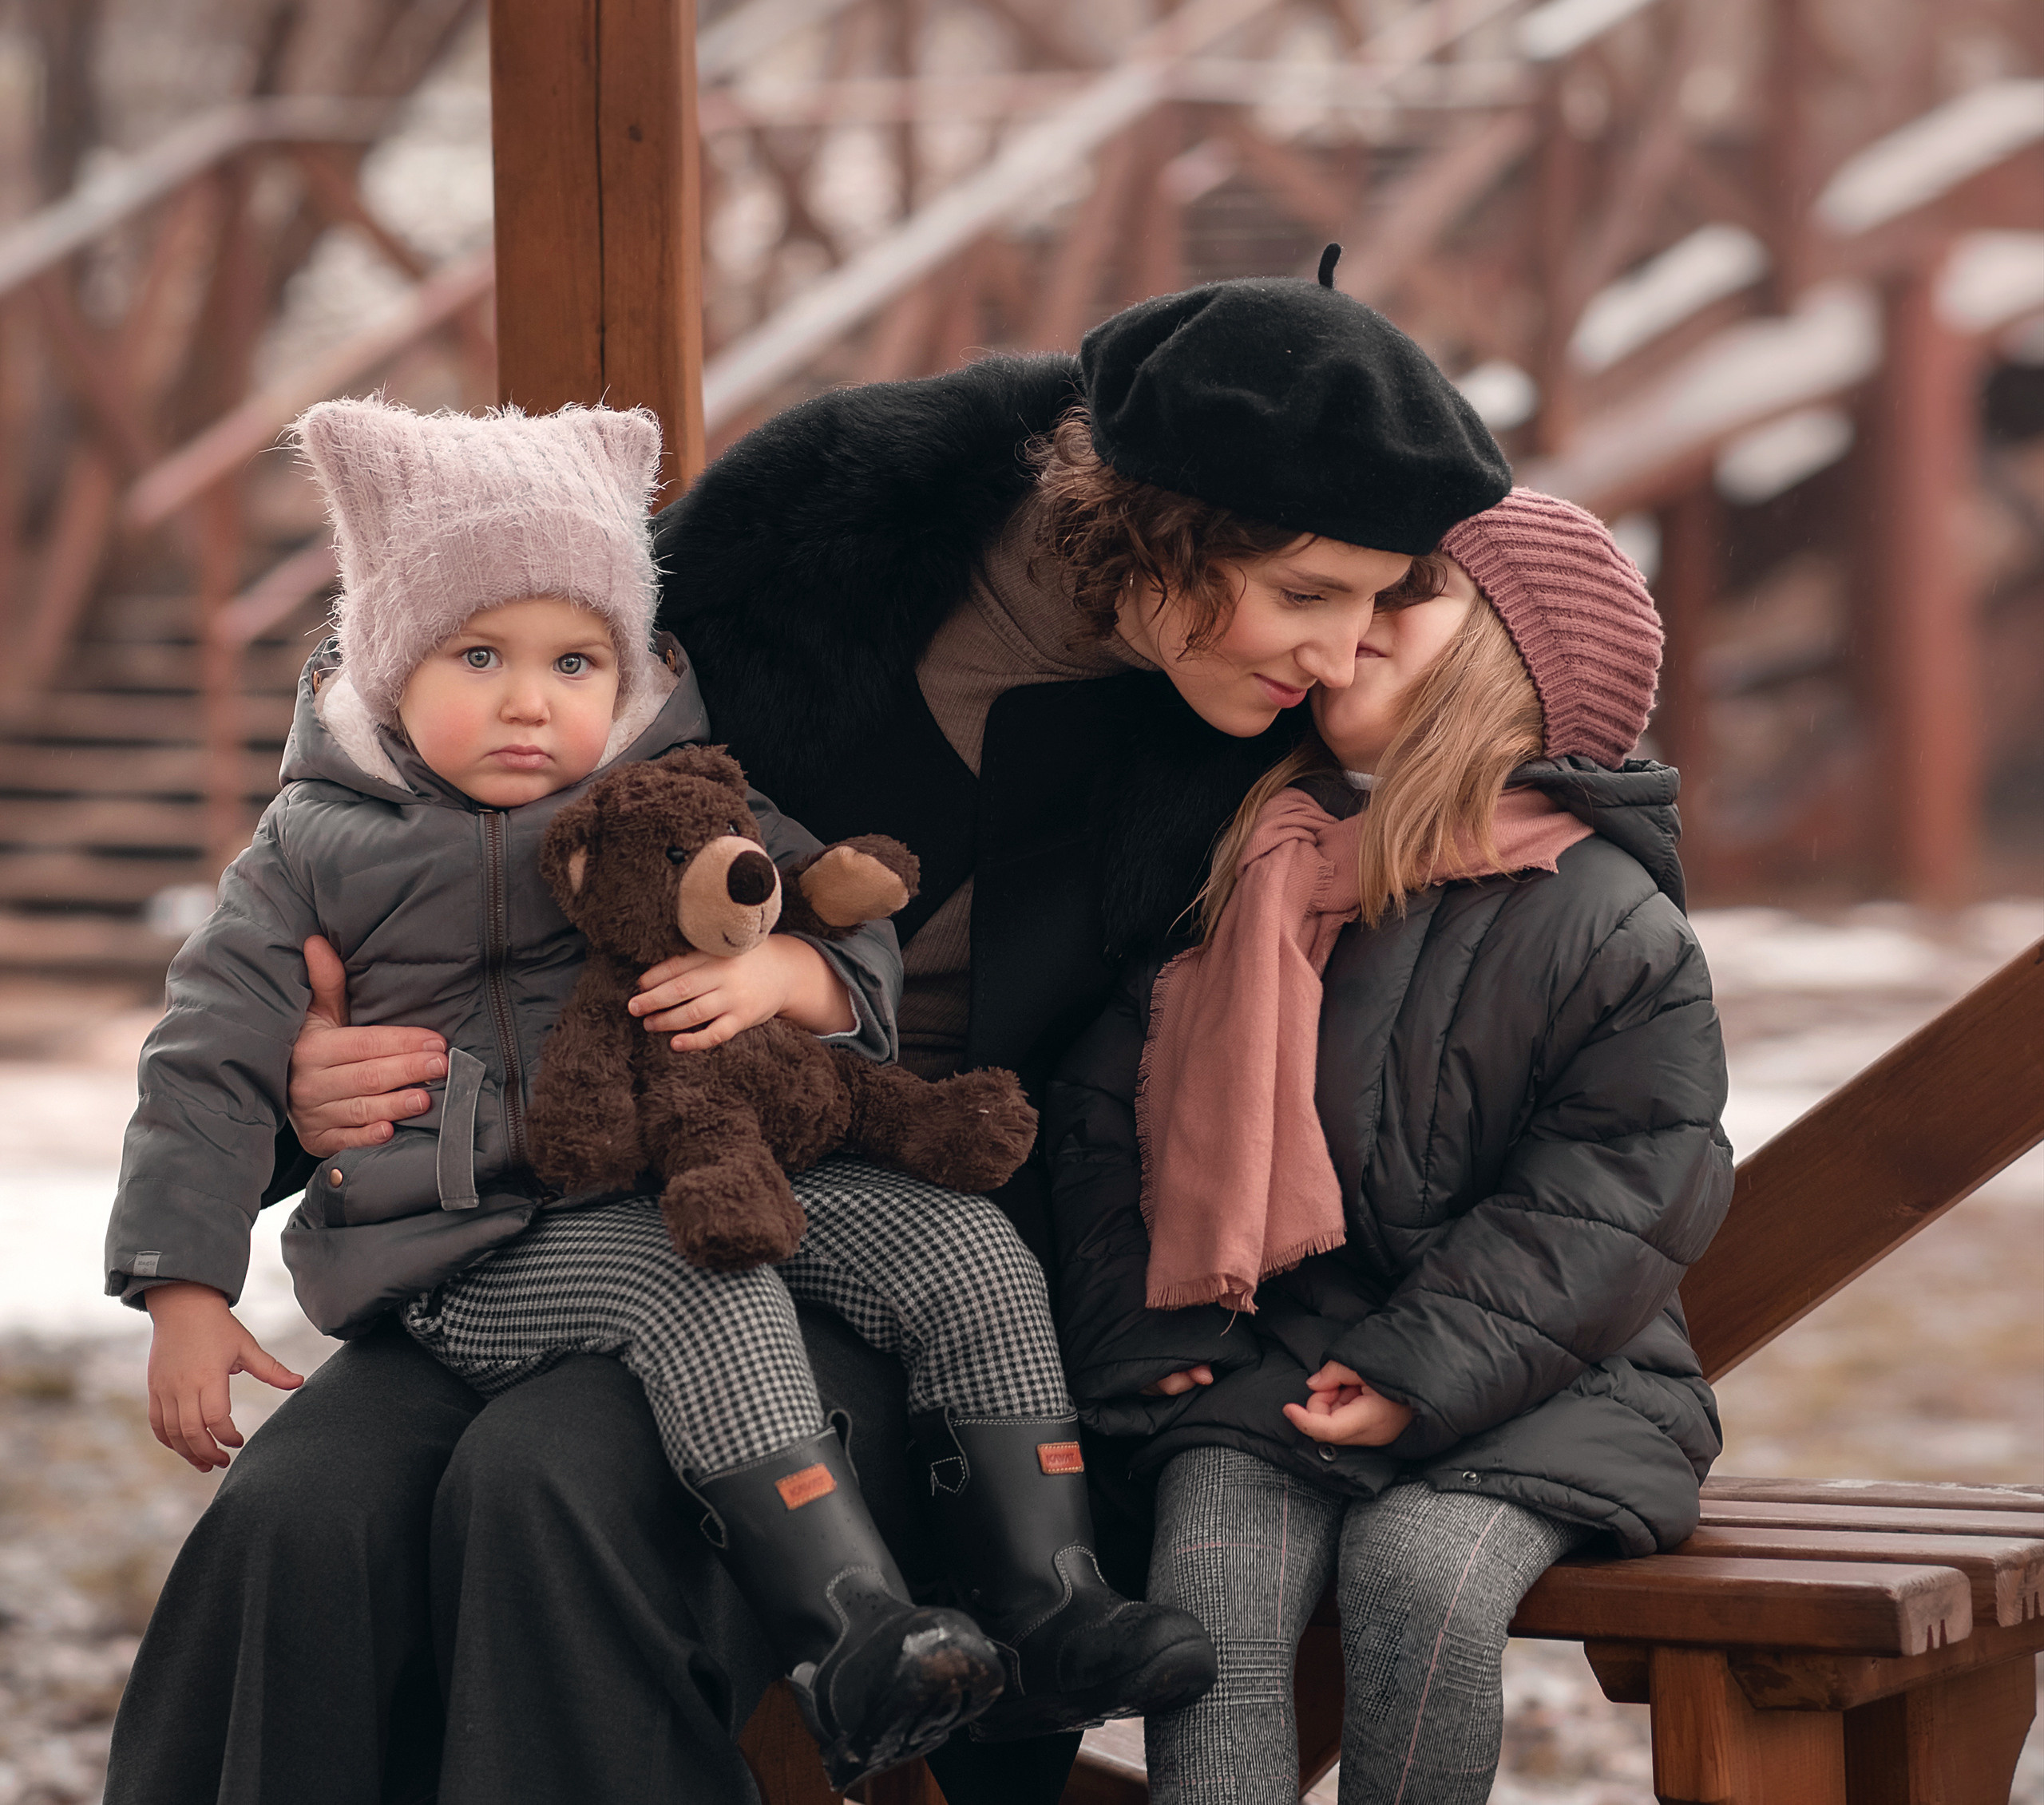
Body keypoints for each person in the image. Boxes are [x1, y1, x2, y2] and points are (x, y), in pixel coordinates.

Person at [120, 262, 1518, 1805]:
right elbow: (468, 697)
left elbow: (1567, 764)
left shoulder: (1262, 759)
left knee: (556, 1485)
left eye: (1374, 605)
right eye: (1309, 596)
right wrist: (319, 1083)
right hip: (540, 1204)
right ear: (1164, 531)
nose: (1339, 654)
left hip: (922, 1260)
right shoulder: (815, 532)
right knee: (303, 1514)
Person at [1047, 489, 1737, 1803]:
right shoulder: (1254, 863)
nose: (1355, 622)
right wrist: (1156, 1341)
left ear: (1515, 661)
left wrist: (1417, 1367)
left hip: (1549, 1383)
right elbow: (1104, 1118)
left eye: (1407, 589)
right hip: (1279, 1363)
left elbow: (1620, 1190)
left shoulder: (1604, 915)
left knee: (1417, 1571)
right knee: (1211, 1559)